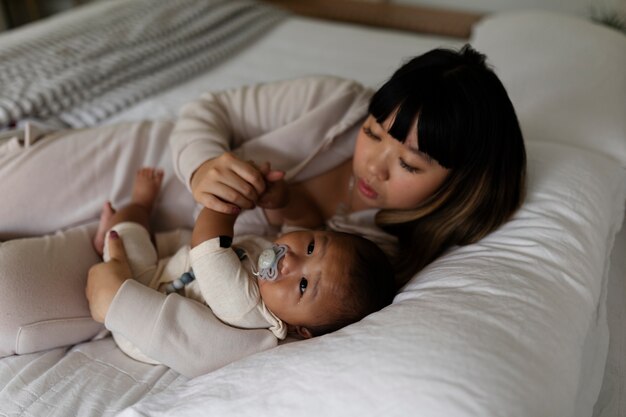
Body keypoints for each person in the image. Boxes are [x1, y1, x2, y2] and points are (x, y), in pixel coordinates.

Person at [0, 45, 526, 377]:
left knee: (10, 303)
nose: (373, 167)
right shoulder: (334, 104)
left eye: (409, 164)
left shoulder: (378, 259)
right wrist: (203, 164)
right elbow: (208, 110)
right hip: (143, 165)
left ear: (459, 183)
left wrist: (123, 295)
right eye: (372, 134)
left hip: (157, 257)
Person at [95, 167, 394, 364]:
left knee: (126, 233)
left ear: (301, 330)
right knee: (166, 240)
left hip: (143, 301)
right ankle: (118, 241)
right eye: (313, 246)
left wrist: (232, 201)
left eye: (303, 286)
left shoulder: (247, 307)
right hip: (176, 268)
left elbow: (207, 246)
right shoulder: (278, 279)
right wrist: (281, 199)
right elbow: (308, 222)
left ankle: (138, 207)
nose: (291, 260)